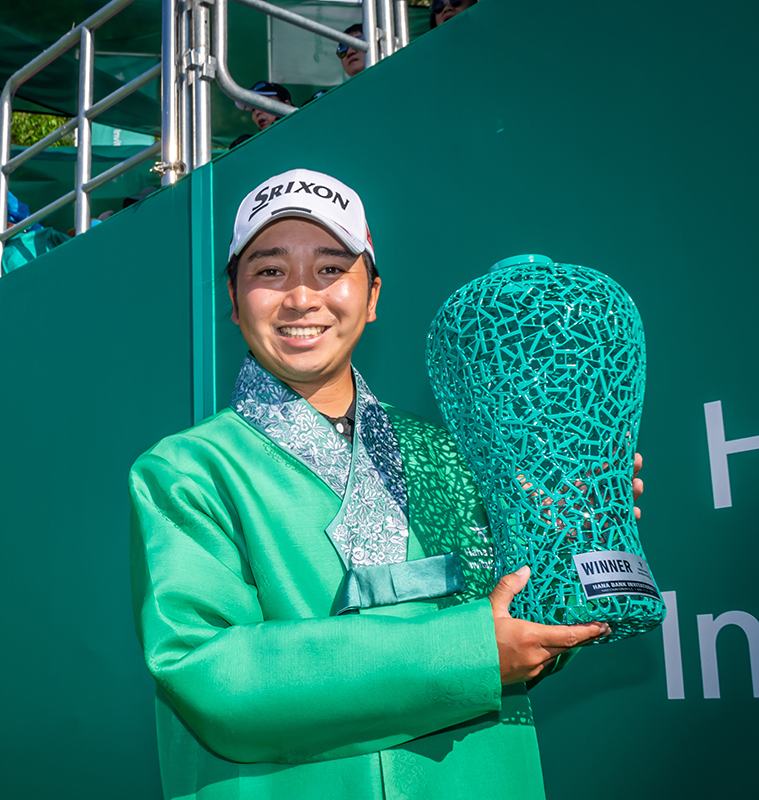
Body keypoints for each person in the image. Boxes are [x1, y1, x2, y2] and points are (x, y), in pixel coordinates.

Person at [129, 168, 643, 799]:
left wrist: (571, 544)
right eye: (268, 271)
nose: (300, 298)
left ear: (372, 296)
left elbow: (526, 632)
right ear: (233, 302)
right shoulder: (186, 470)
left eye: (329, 269)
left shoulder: (451, 454)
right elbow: (211, 677)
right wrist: (472, 651)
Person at [229, 81, 294, 149]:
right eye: (253, 109)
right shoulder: (250, 147)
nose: (257, 112)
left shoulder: (304, 131)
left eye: (263, 104)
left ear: (287, 105)